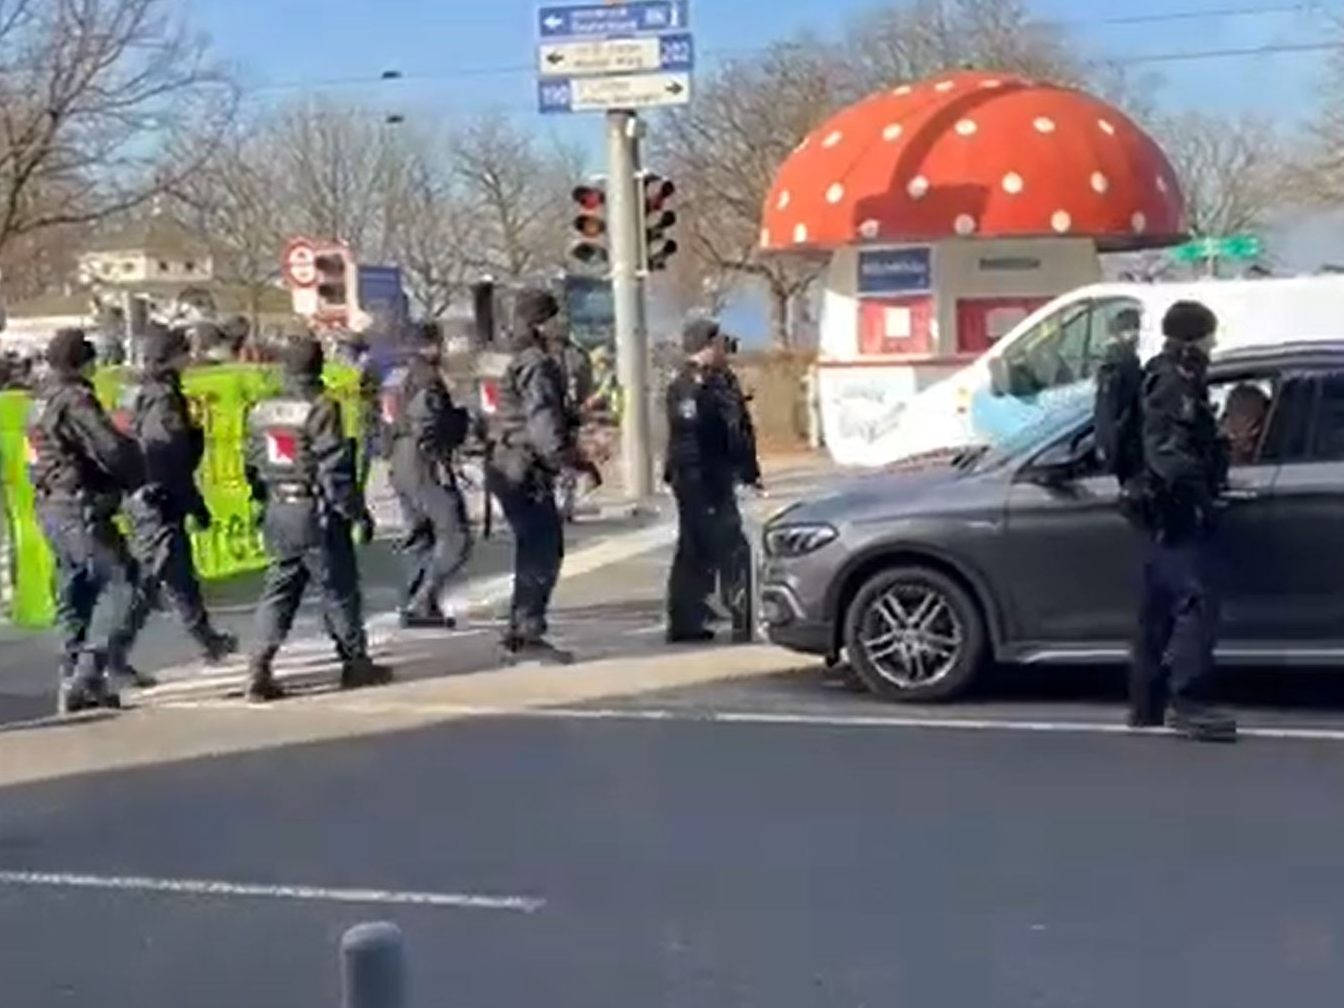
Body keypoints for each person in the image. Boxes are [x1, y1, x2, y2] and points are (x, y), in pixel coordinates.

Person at [242, 337, 391, 702]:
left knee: (279, 589)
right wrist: (356, 512)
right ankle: (355, 663)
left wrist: (265, 498)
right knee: (338, 589)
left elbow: (250, 463)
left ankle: (259, 665)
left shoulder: (261, 408)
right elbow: (334, 470)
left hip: (278, 509)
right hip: (315, 512)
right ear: (318, 367)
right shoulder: (321, 407)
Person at [1129, 300, 1236, 742]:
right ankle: (1186, 703)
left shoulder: (1177, 375)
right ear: (1194, 336)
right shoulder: (1174, 382)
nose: (1213, 342)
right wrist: (1200, 496)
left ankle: (1147, 705)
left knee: (1159, 608)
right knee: (1194, 603)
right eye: (1209, 334)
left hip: (1165, 509)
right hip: (1175, 507)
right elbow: (1167, 453)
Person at [108, 326, 238, 685]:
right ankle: (110, 654)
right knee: (147, 583)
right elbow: (169, 459)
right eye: (184, 352)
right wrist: (194, 502)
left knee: (180, 576)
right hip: (157, 501)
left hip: (140, 497)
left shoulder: (131, 390)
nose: (189, 358)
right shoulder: (163, 398)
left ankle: (208, 640)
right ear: (171, 358)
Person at [28, 328, 145, 713]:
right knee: (125, 584)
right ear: (82, 362)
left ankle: (72, 673)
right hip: (80, 506)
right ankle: (88, 673)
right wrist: (135, 473)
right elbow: (108, 447)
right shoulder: (76, 399)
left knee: (76, 590)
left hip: (49, 506)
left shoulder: (40, 400)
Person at [486, 288, 581, 664]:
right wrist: (565, 459)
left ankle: (519, 629)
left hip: (501, 460)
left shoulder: (499, 356)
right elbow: (541, 421)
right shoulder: (534, 363)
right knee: (543, 547)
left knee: (531, 546)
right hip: (524, 466)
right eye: (555, 317)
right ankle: (527, 632)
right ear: (542, 321)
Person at [663, 318, 761, 644]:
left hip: (717, 475)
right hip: (698, 478)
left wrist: (748, 470)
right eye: (719, 343)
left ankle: (699, 618)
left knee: (704, 548)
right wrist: (696, 480)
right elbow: (689, 437)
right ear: (705, 346)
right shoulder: (687, 385)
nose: (726, 348)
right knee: (721, 547)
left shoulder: (722, 380)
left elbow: (738, 430)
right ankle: (720, 617)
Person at [386, 321, 471, 628]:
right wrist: (460, 425)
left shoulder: (395, 377)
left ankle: (414, 602)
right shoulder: (427, 378)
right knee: (456, 535)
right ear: (430, 346)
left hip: (399, 460)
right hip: (425, 462)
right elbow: (430, 425)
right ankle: (423, 600)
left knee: (419, 535)